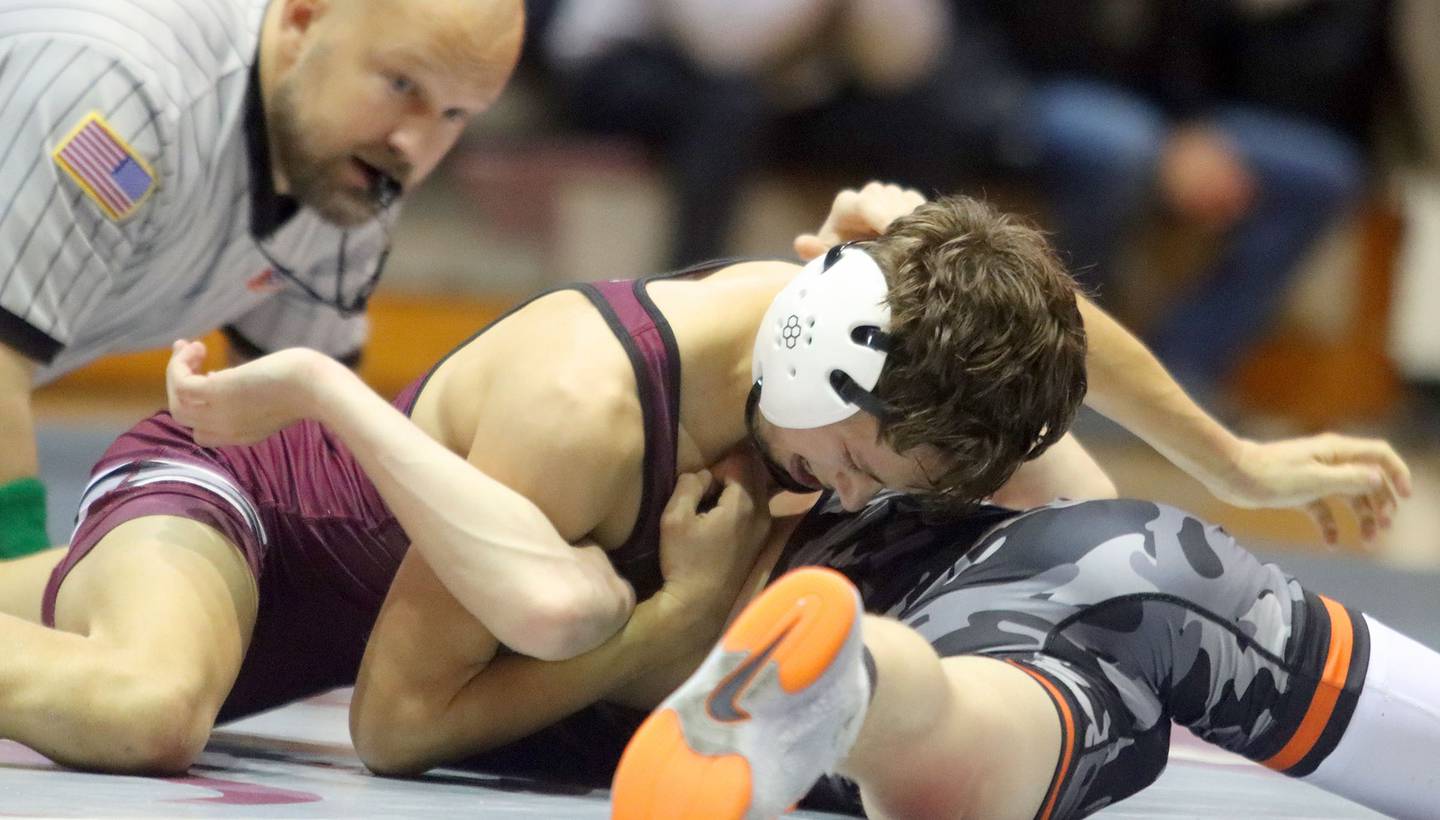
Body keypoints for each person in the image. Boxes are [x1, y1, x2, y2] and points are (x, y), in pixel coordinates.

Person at [0, 185, 1403, 779]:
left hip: (389, 601)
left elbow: (1033, 315)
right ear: (821, 357)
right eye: (855, 461)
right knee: (146, 704)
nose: (847, 492)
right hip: (241, 510)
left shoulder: (866, 299)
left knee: (1059, 508)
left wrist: (1236, 462)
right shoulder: (587, 406)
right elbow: (393, 724)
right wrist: (665, 633)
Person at [0, 0, 525, 560]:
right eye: (401, 84)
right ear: (302, 20)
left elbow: (293, 444)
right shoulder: (116, 83)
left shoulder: (354, 162)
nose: (416, 146)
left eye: (454, 114)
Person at [613, 489, 1440, 819]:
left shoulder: (577, 413)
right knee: (969, 719)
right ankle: (851, 681)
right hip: (1098, 542)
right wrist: (1237, 461)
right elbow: (1033, 311)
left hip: (966, 607)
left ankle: (855, 685)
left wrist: (687, 607)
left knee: (965, 723)